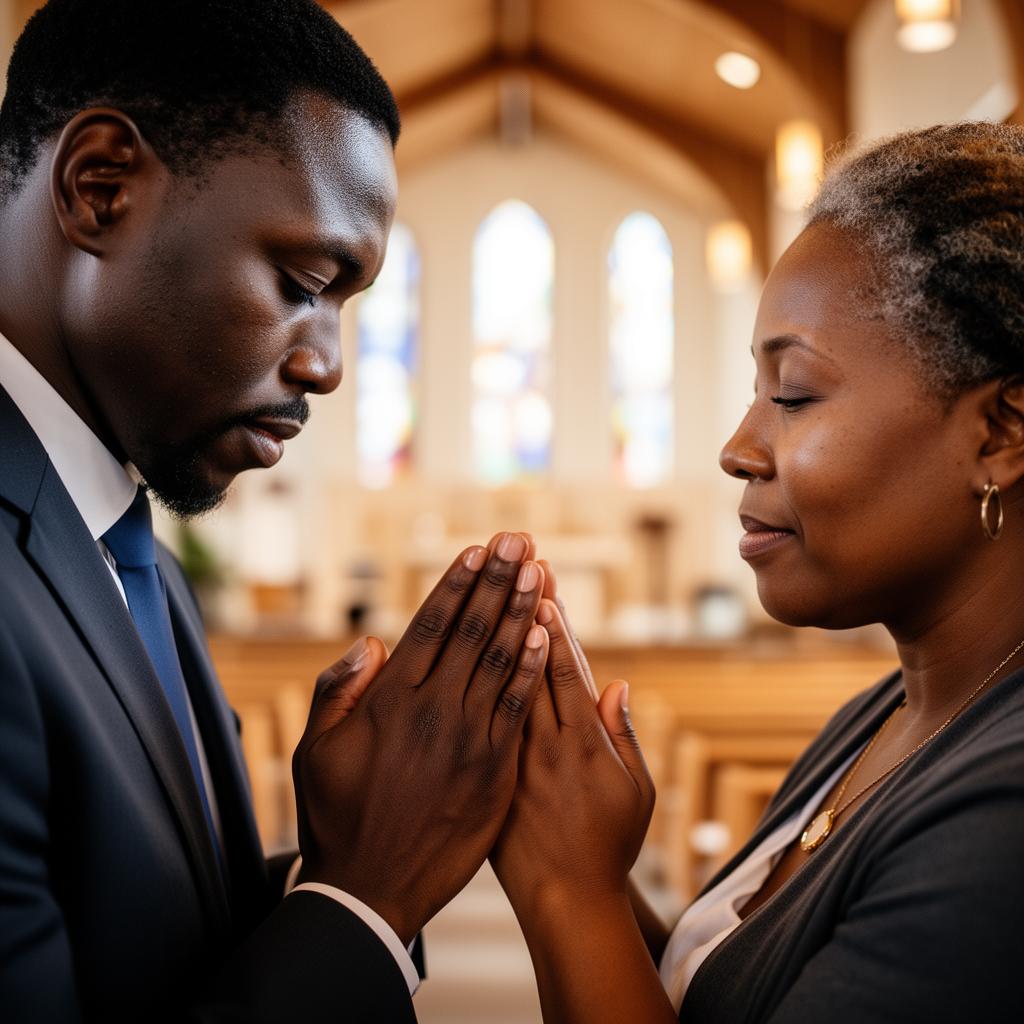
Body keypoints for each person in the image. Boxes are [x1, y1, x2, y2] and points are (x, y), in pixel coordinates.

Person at [0, 1, 553, 1021]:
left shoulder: (138, 560)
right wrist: (364, 897)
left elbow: (148, 951)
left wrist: (342, 858)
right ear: (102, 187)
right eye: (304, 282)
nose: (327, 365)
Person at [485, 121, 1024, 1022]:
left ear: (1003, 431)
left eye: (795, 395)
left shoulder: (1007, 816)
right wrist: (593, 864)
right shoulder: (887, 714)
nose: (738, 449)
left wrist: (566, 890)